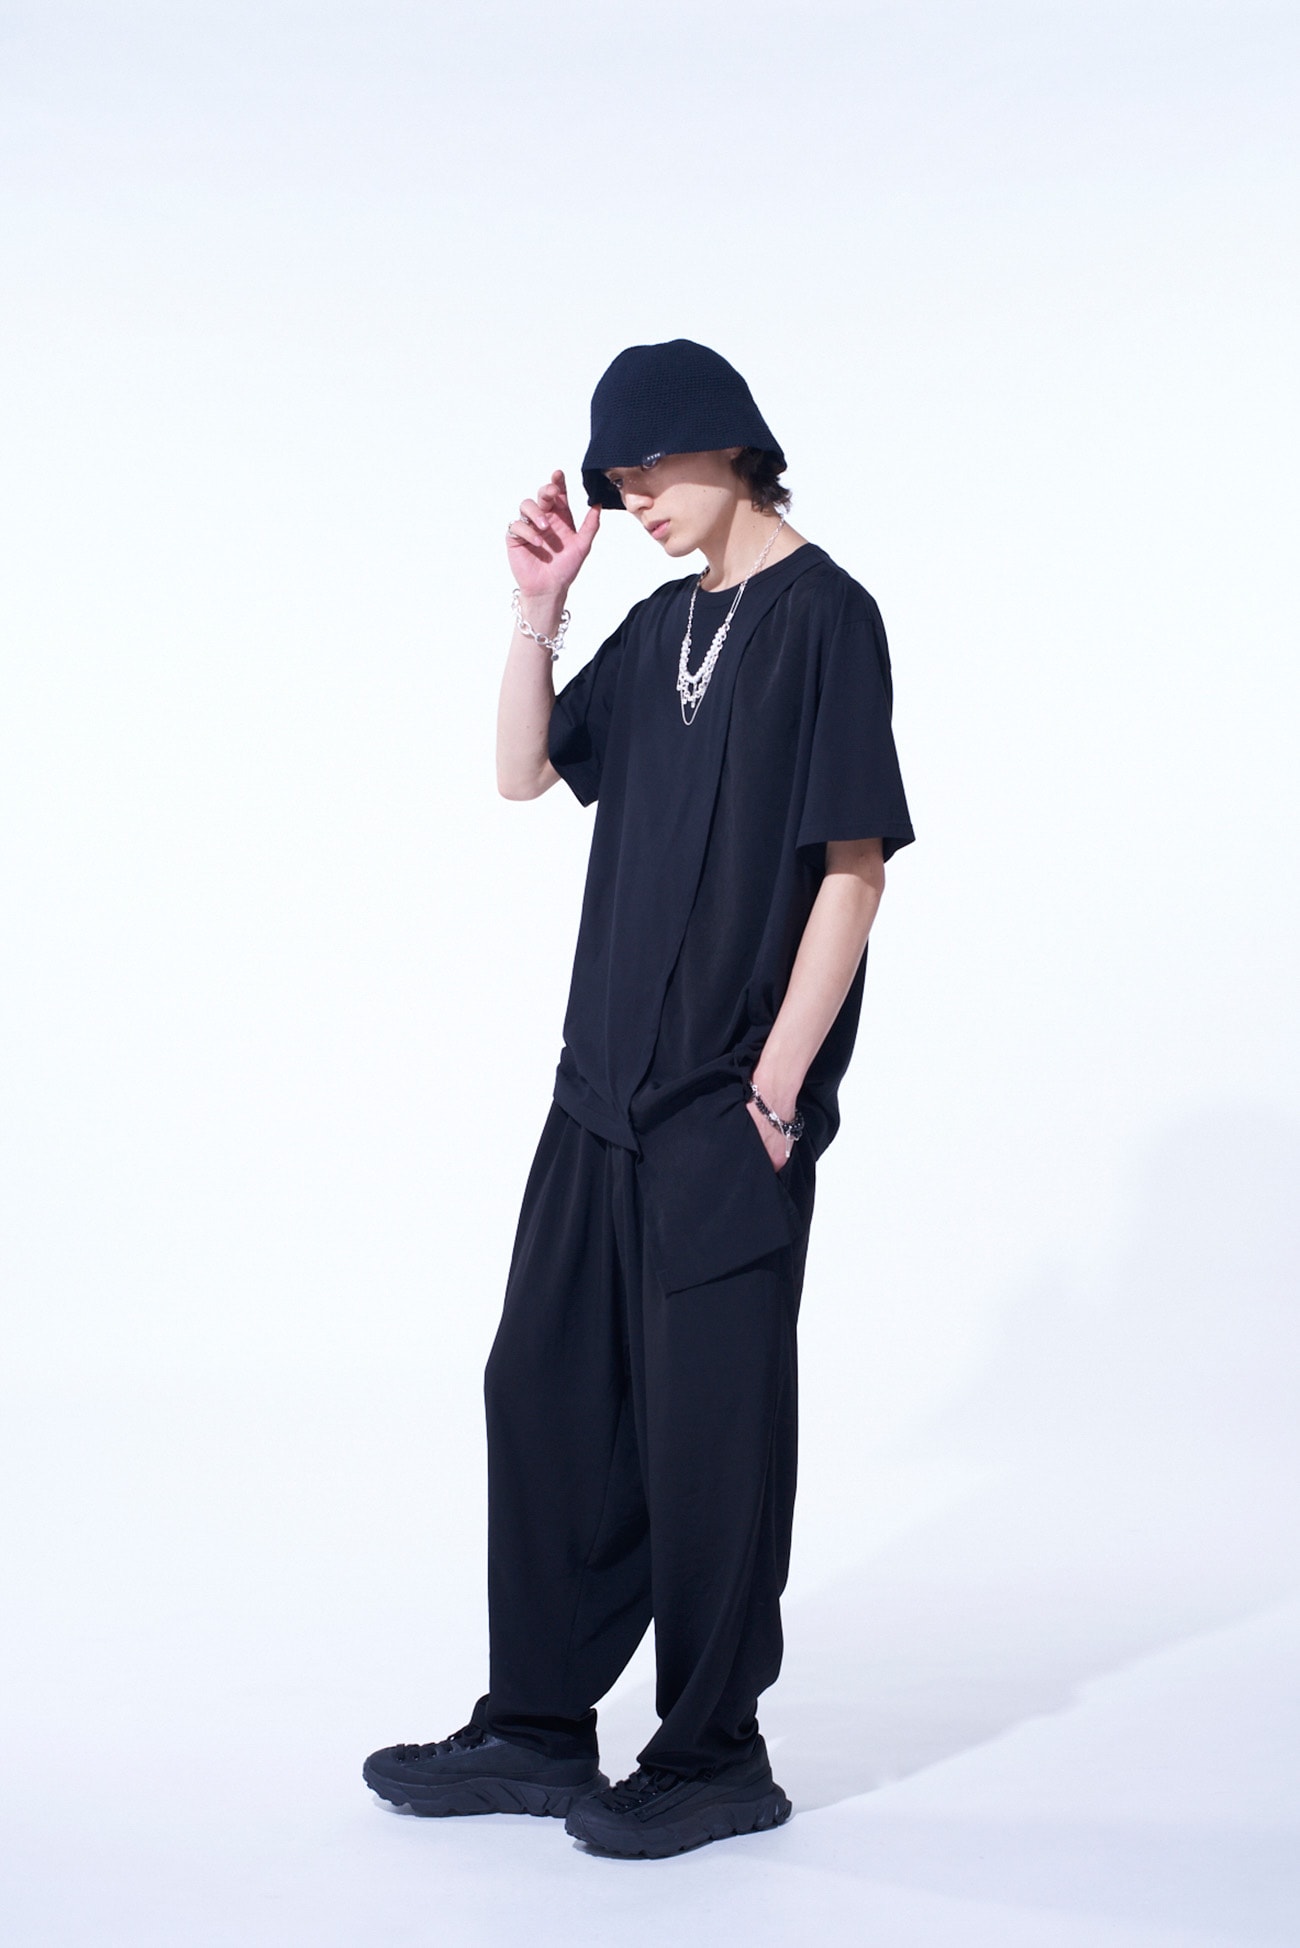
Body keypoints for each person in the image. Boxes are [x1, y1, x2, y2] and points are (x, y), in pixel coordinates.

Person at [363, 339, 914, 1859]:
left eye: (649, 470)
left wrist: (777, 1092)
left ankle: (714, 1755)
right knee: (541, 1393)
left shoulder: (829, 618)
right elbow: (522, 770)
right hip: (595, 1095)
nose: (634, 501)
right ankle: (538, 1724)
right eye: (614, 482)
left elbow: (854, 868)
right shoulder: (664, 622)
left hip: (723, 1109)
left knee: (709, 1435)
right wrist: (539, 611)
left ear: (729, 445)